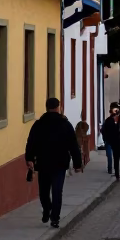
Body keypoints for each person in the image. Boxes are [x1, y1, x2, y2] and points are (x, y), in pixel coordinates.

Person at [24, 97, 84, 228]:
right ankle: (55, 218)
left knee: (44, 191)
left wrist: (29, 158)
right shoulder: (65, 124)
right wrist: (78, 164)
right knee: (57, 191)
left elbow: (31, 142)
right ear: (58, 107)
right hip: (60, 164)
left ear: (47, 108)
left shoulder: (39, 124)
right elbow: (73, 145)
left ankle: (47, 209)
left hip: (43, 163)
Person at [101, 104, 120, 181]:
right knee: (116, 159)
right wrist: (108, 140)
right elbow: (104, 131)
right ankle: (117, 174)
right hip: (114, 143)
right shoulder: (109, 121)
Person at [104, 101, 119, 173]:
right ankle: (110, 169)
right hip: (109, 141)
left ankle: (116, 170)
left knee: (115, 156)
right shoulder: (108, 120)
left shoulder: (119, 120)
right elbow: (104, 130)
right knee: (109, 156)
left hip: (116, 141)